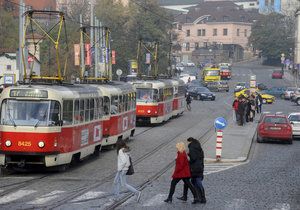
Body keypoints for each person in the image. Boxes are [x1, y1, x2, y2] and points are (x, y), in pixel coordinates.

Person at [178, 137, 206, 203]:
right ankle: (201, 198)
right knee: (196, 182)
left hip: (194, 168)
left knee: (190, 182)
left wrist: (188, 156)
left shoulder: (192, 148)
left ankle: (196, 197)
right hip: (200, 167)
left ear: (190, 141)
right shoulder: (199, 148)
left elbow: (193, 158)